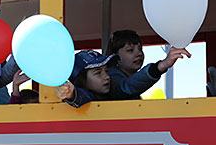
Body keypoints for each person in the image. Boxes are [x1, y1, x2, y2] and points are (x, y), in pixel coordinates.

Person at [57, 44, 189, 107]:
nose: (107, 76)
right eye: (98, 73)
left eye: (107, 71)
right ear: (81, 80)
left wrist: (161, 66)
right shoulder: (86, 95)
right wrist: (72, 94)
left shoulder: (111, 91)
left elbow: (124, 88)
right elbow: (82, 97)